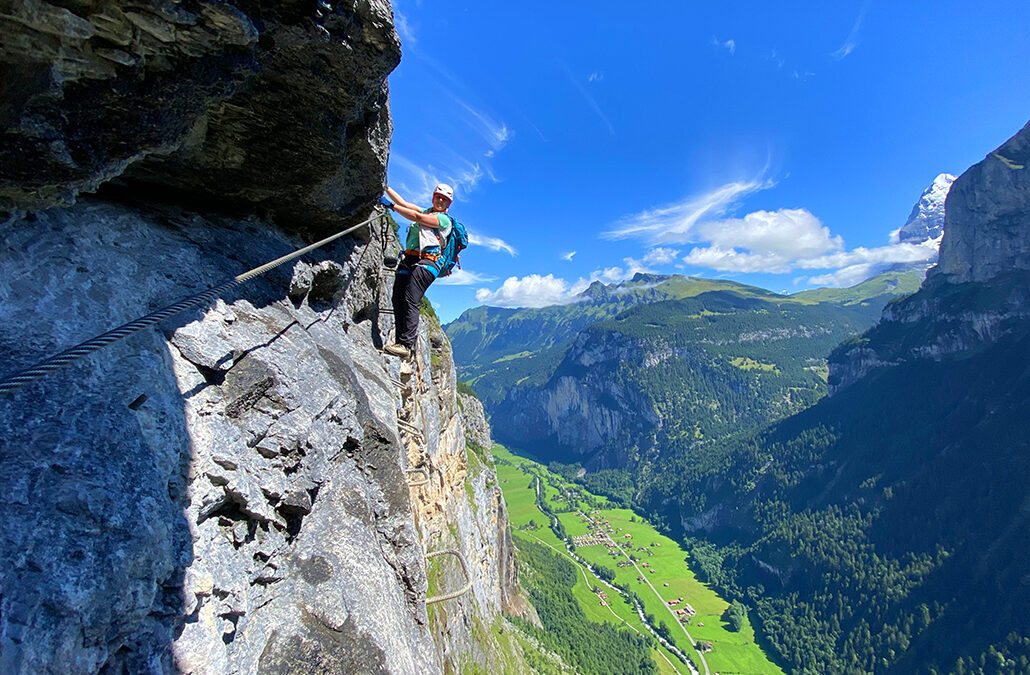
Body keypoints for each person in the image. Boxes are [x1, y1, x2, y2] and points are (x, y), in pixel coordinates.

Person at [381, 183, 454, 358]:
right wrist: (385, 188)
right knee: (398, 297)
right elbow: (405, 203)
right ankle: (400, 343)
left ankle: (406, 345)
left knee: (411, 298)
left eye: (445, 199)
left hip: (429, 261)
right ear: (433, 197)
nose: (441, 201)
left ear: (449, 204)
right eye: (438, 197)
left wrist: (390, 206)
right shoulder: (426, 210)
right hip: (410, 258)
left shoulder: (444, 220)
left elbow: (416, 217)